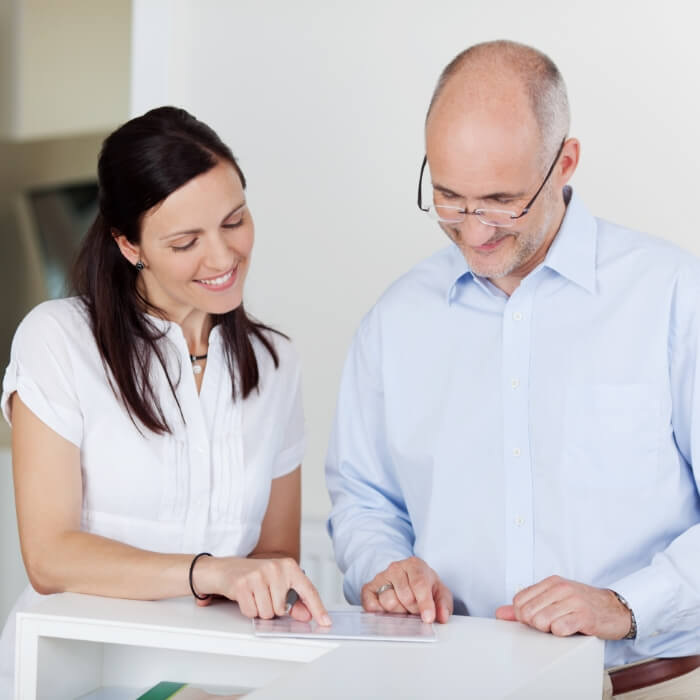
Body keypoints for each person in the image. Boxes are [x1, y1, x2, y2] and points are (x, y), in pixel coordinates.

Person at [325, 40, 700, 698]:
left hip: (648, 684)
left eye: (502, 201)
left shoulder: (673, 296)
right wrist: (387, 568)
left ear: (566, 163)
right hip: (448, 683)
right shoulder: (395, 319)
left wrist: (627, 603)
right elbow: (363, 499)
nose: (474, 231)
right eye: (448, 198)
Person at [0, 106, 330, 696]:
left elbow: (275, 554)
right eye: (186, 242)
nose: (224, 258)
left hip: (224, 673)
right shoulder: (59, 340)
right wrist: (207, 572)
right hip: (82, 668)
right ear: (130, 246)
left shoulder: (275, 362)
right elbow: (50, 557)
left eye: (235, 221)